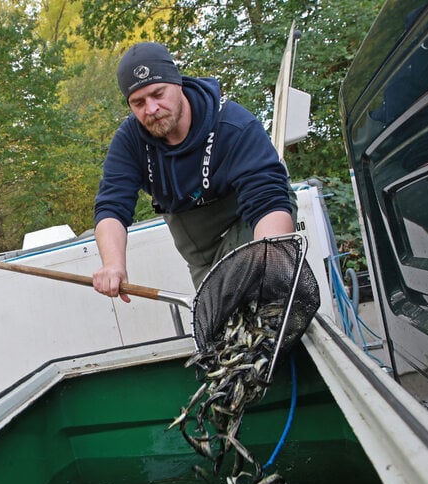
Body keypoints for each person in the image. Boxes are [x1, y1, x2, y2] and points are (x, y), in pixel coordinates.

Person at [91, 42, 298, 299]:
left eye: (158, 94)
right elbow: (112, 206)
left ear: (177, 82)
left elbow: (267, 200)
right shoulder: (129, 141)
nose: (151, 109)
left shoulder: (234, 125)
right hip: (200, 252)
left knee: (259, 290)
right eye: (138, 102)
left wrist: (270, 262)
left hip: (252, 220)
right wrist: (113, 264)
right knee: (220, 312)